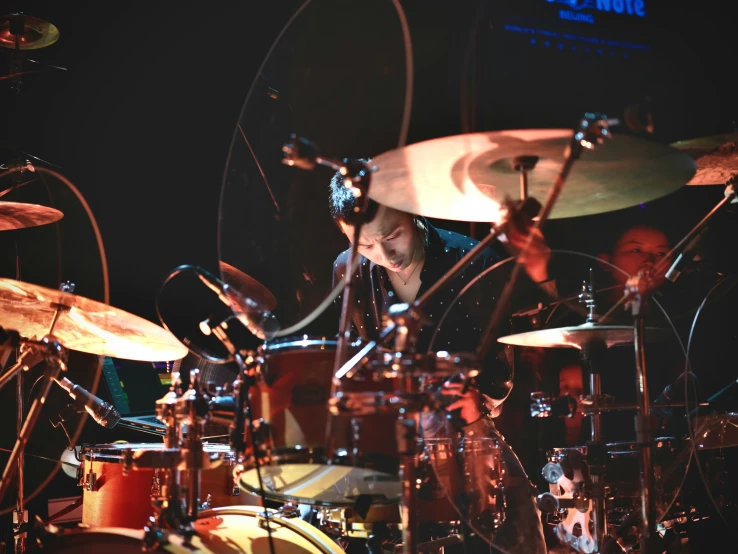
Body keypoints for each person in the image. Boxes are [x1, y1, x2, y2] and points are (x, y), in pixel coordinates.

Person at [329, 160, 552, 554]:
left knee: (513, 532)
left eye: (393, 233)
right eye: (363, 245)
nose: (384, 253)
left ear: (412, 208)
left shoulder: (473, 260)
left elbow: (501, 371)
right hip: (387, 436)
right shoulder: (347, 270)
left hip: (466, 431)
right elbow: (348, 361)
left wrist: (473, 400)